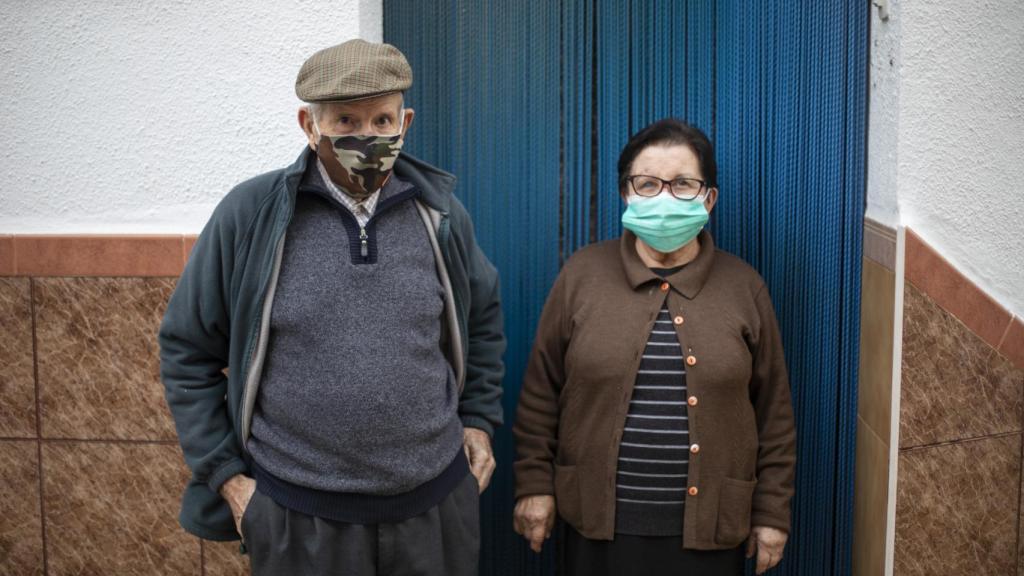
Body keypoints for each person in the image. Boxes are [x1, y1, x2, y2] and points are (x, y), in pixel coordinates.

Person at [159, 39, 506, 576]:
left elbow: (480, 321)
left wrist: (479, 421)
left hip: (432, 510)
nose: (367, 137)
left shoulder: (440, 215)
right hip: (299, 519)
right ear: (309, 124)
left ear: (404, 121)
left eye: (382, 120)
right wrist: (229, 478)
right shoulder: (251, 216)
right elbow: (186, 349)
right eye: (346, 120)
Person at [512, 118, 795, 575]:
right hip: (596, 530)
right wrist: (533, 486)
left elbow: (774, 415)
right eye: (647, 184)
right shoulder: (581, 277)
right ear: (626, 193)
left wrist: (771, 514)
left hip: (710, 536)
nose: (664, 198)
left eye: (683, 184)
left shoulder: (745, 287)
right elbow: (541, 396)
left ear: (709, 198)